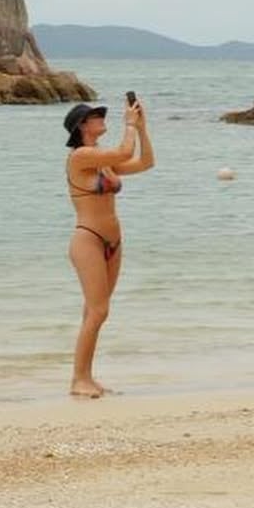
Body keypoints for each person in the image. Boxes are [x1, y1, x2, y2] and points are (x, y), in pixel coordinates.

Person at [63, 97, 155, 398]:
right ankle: (79, 379)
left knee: (95, 311)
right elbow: (124, 150)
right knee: (99, 311)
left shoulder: (103, 161)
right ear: (82, 126)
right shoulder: (80, 157)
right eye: (95, 116)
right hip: (88, 238)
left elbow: (145, 162)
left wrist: (141, 129)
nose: (102, 118)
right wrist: (128, 125)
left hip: (113, 242)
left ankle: (86, 377)